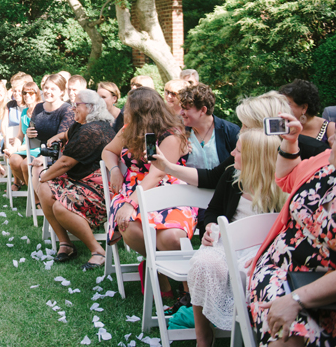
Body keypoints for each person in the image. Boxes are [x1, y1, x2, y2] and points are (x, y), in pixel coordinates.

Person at [247, 108, 336, 346]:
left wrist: (297, 298)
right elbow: (286, 180)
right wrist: (290, 141)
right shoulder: (322, 162)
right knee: (291, 336)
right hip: (280, 270)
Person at [186, 129, 286, 346]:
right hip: (228, 243)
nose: (232, 153)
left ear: (254, 158)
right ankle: (203, 335)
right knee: (202, 263)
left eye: (238, 150)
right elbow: (212, 210)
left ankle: (254, 332)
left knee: (256, 276)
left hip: (265, 250)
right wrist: (210, 226)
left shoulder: (282, 186)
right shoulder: (231, 174)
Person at [102, 87, 193, 295]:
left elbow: (156, 174)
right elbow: (108, 150)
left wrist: (131, 204)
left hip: (167, 191)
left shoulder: (172, 135)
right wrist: (115, 169)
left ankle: (188, 291)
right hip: (132, 188)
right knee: (129, 226)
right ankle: (157, 270)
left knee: (172, 238)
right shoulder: (129, 130)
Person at [152, 91, 329, 190]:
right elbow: (213, 177)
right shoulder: (243, 153)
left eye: (245, 126)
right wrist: (167, 167)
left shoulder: (315, 153)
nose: (240, 132)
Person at [33, 89, 115, 270]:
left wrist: (43, 175)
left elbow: (65, 163)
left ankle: (98, 251)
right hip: (78, 181)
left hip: (98, 189)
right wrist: (58, 136)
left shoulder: (93, 131)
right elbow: (68, 135)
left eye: (76, 105)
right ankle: (66, 244)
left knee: (58, 205)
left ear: (90, 107)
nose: (72, 109)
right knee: (45, 189)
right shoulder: (82, 125)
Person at [6, 75, 75, 193]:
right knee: (14, 160)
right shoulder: (38, 107)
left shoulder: (67, 110)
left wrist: (44, 156)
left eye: (53, 89)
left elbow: (61, 139)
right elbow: (31, 128)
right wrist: (28, 132)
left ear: (62, 92)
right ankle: (35, 194)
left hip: (57, 153)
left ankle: (38, 199)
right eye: (46, 88)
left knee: (25, 164)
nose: (48, 91)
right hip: (36, 148)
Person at [178, 83, 240, 172]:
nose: (181, 113)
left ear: (203, 110)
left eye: (186, 109)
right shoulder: (179, 133)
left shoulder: (231, 132)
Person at [4, 81, 42, 190]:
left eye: (31, 93)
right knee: (14, 160)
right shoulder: (24, 112)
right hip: (23, 147)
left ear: (37, 94)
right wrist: (13, 147)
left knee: (26, 163)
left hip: (37, 147)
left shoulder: (40, 111)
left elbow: (37, 140)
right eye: (25, 93)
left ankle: (36, 196)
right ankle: (32, 189)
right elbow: (20, 136)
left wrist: (15, 149)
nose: (27, 96)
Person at [280, 79, 332, 144]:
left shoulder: (331, 129)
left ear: (304, 107)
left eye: (287, 103)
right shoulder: (281, 127)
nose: (281, 107)